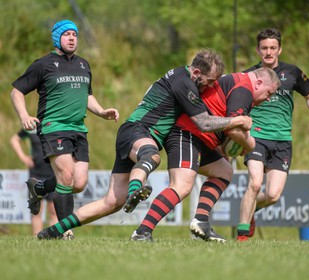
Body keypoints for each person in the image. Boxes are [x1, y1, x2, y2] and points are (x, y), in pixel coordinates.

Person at [36, 49, 253, 240]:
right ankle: (135, 190)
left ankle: (53, 231)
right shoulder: (184, 82)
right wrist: (237, 120)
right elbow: (204, 123)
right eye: (211, 81)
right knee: (151, 156)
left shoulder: (181, 77)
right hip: (137, 130)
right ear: (196, 73)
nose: (212, 85)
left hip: (134, 133)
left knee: (111, 202)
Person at [130, 67, 281, 242]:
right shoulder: (244, 89)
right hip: (186, 134)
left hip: (201, 139)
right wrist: (250, 144)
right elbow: (234, 129)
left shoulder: (240, 83)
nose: (269, 98)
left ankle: (201, 221)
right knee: (181, 186)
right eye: (269, 92)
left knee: (223, 171)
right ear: (259, 83)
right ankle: (142, 232)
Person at [10, 19, 119, 239]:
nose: (72, 38)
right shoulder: (43, 64)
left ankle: (39, 188)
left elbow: (87, 96)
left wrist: (101, 111)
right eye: (67, 34)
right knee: (66, 177)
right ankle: (64, 231)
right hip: (54, 127)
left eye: (75, 35)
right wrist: (23, 115)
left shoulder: (83, 65)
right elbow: (17, 91)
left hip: (79, 129)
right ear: (57, 37)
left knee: (79, 183)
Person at [237, 28, 309, 241]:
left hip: (282, 140)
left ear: (280, 49)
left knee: (272, 195)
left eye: (272, 48)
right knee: (255, 182)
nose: (268, 52)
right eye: (264, 48)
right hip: (256, 138)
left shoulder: (293, 72)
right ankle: (242, 236)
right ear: (258, 50)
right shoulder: (248, 75)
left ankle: (250, 211)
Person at [10, 129, 58, 236]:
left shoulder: (55, 124)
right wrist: (23, 157)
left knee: (54, 211)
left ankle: (52, 236)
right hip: (36, 174)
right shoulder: (32, 127)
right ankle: (37, 237)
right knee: (36, 210)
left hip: (53, 173)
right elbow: (14, 140)